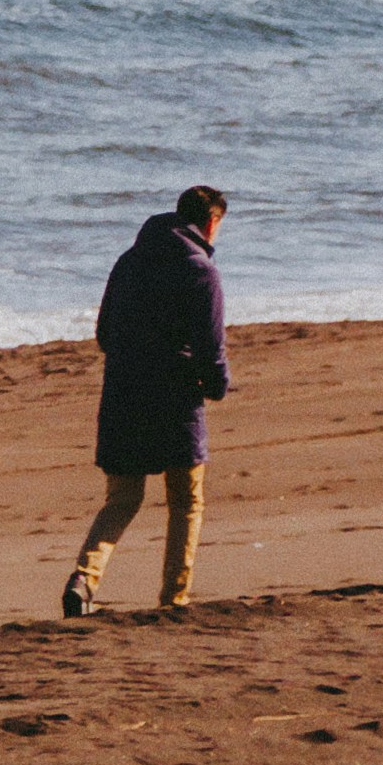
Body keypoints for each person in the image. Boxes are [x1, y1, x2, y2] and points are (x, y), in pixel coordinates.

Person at [62, 186, 229, 620]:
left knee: (122, 498)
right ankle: (174, 597)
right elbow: (212, 348)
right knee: (186, 501)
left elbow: (104, 333)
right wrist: (216, 385)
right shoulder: (201, 270)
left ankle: (83, 579)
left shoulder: (129, 260)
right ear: (211, 222)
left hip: (124, 392)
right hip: (175, 397)